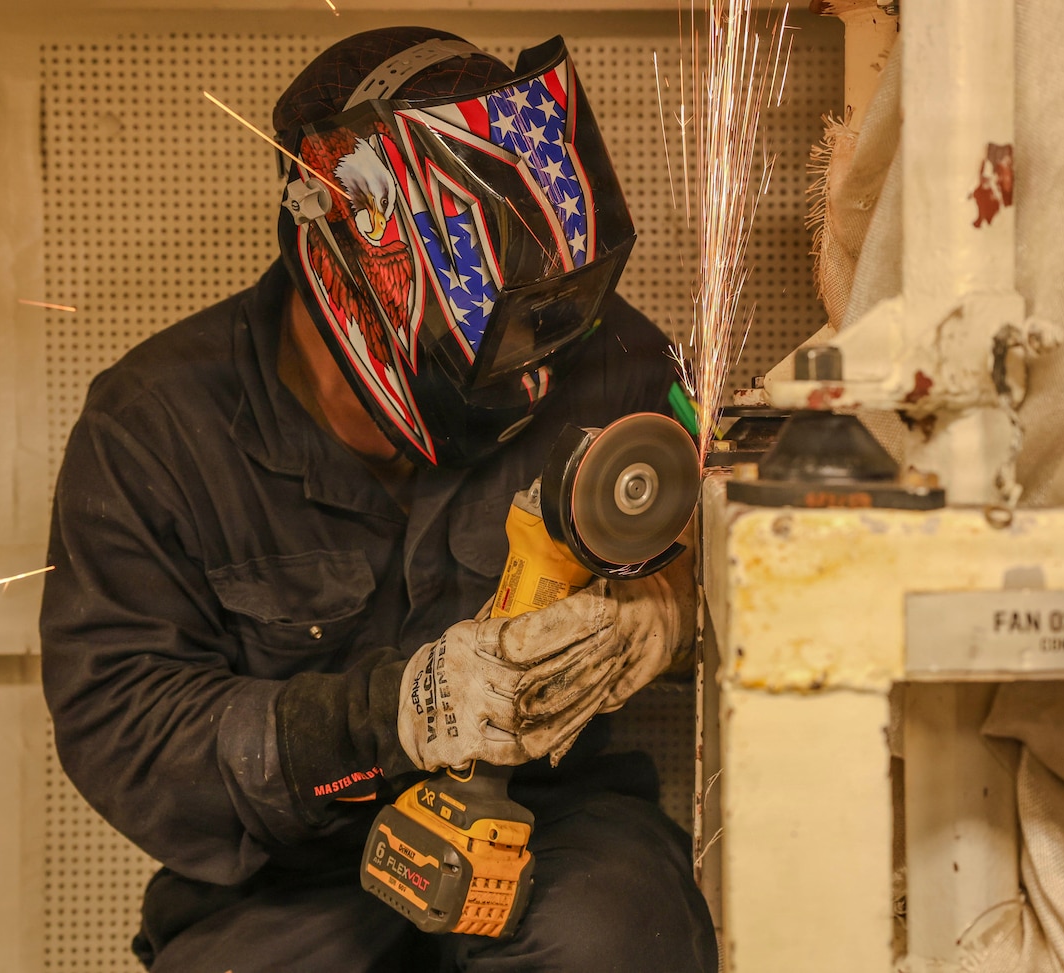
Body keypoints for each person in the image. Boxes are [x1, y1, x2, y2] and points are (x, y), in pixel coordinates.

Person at [40, 26, 717, 973]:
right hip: (288, 865)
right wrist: (386, 717)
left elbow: (735, 541)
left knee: (618, 938)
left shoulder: (604, 355)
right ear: (351, 256)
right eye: (494, 352)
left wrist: (672, 607)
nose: (532, 378)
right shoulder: (154, 426)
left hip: (554, 821)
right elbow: (126, 724)